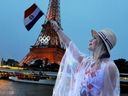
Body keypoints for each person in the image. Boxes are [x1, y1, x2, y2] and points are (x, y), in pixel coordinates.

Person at [50, 20, 120, 96]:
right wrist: (57, 29)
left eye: (94, 38)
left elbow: (108, 94)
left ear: (101, 44)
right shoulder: (87, 62)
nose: (90, 40)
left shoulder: (109, 67)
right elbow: (69, 44)